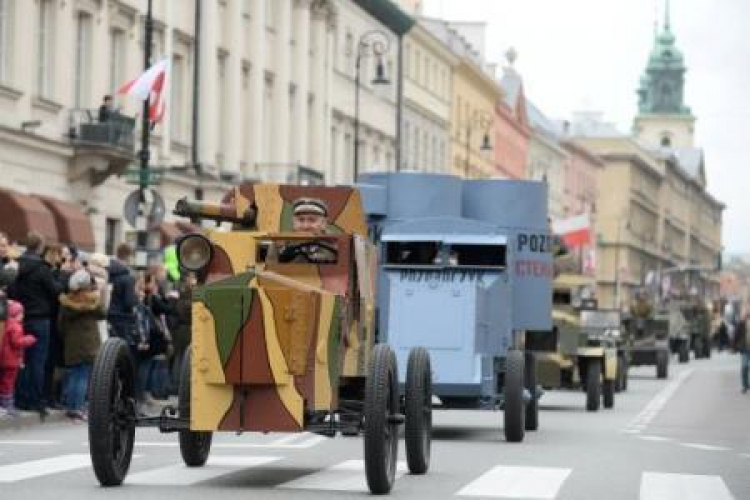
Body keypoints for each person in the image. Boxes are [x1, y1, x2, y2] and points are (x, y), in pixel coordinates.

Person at [10, 232, 64, 417]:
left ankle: (21, 398)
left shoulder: (16, 265)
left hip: (19, 316)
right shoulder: (42, 269)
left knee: (21, 359)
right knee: (38, 361)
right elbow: (56, 290)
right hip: (40, 318)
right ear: (40, 247)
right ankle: (35, 400)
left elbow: (11, 288)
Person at [59, 269, 106, 421]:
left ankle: (70, 406)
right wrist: (100, 296)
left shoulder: (66, 303)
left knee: (73, 375)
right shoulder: (92, 302)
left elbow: (60, 326)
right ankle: (78, 407)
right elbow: (103, 313)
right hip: (89, 344)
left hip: (72, 344)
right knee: (83, 377)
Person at [0, 301, 36, 416]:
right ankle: (7, 406)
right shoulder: (16, 327)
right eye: (22, 313)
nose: (23, 316)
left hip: (4, 358)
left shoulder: (6, 324)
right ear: (17, 314)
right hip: (11, 360)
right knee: (8, 383)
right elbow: (17, 342)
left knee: (4, 381)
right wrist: (29, 339)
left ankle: (4, 405)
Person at [277, 198, 337, 263]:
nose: (305, 226)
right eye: (301, 220)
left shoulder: (337, 245)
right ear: (293, 222)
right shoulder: (279, 244)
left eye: (312, 220)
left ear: (323, 223)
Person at [107, 243, 138, 357]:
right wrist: (137, 298)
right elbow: (129, 302)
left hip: (110, 316)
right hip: (123, 319)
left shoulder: (109, 273)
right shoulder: (127, 278)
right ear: (129, 256)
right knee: (124, 353)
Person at [733, 316, 749, 393]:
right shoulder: (742, 323)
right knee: (744, 366)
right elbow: (736, 334)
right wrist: (734, 346)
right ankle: (745, 385)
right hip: (745, 348)